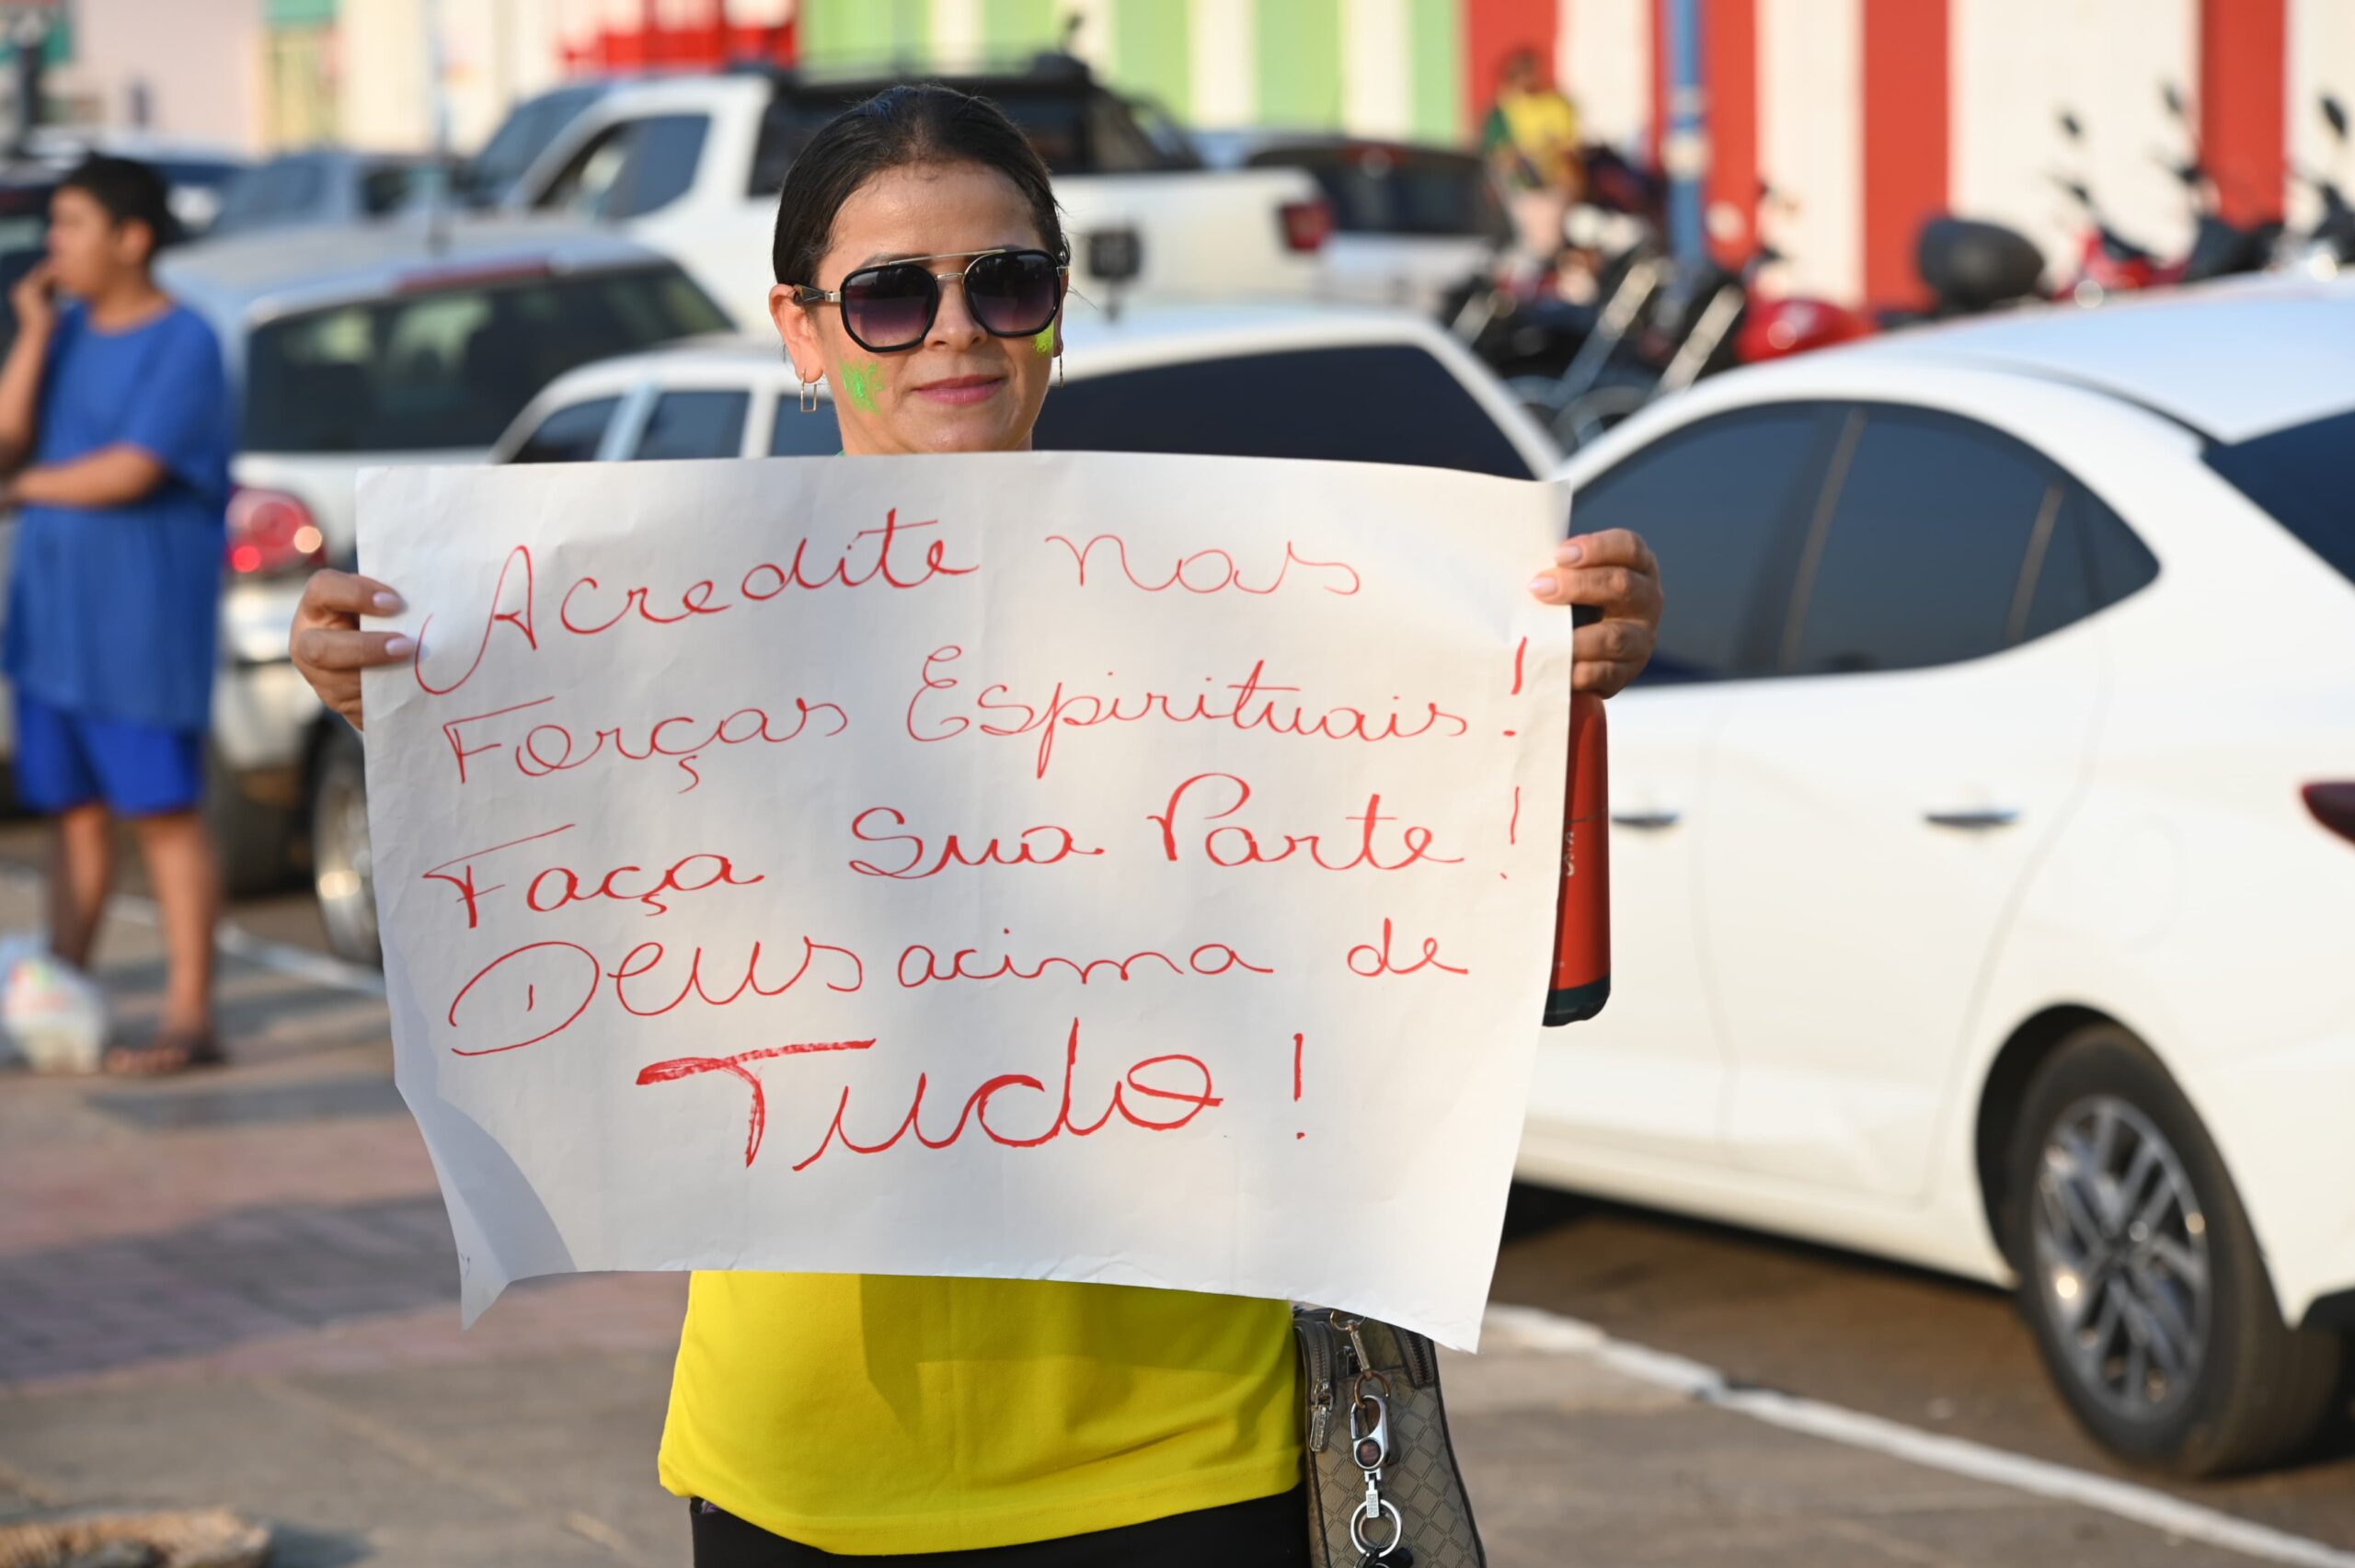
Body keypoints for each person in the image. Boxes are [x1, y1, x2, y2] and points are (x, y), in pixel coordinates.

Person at [288, 85, 1662, 1564]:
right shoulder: (663, 645)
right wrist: (417, 718)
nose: (955, 331)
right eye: (888, 295)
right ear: (802, 331)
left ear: (1058, 309)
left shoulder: (1258, 614)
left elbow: (1466, 955)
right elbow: (544, 927)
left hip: (1181, 1450)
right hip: (802, 1461)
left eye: (1005, 281)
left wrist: (1550, 680)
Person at [0, 155, 232, 1075]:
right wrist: (29, 333)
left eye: (70, 225)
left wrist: (18, 490)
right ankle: (62, 994)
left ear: (131, 238)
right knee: (75, 816)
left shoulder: (187, 342)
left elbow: (133, 468)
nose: (53, 245)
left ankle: (190, 1015)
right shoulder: (61, 336)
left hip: (137, 623)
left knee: (163, 812)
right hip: (52, 618)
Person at [1481, 47, 1584, 291]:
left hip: (1553, 189)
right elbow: (1499, 156)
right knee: (1535, 246)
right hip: (1523, 189)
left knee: (1552, 243)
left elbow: (1568, 151)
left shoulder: (1557, 104)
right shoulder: (1502, 112)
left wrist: (1570, 183)